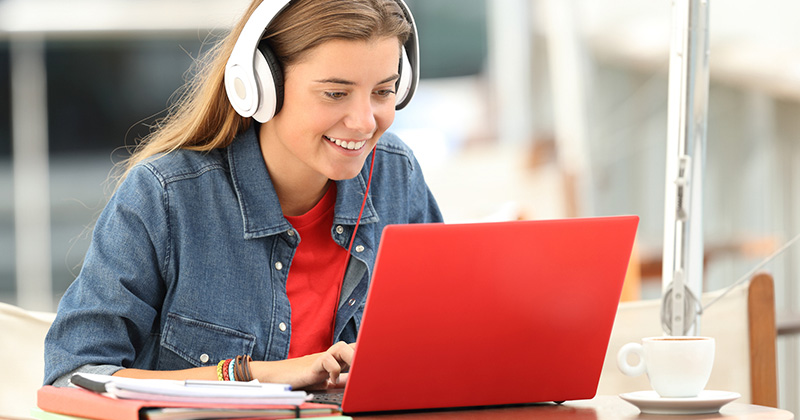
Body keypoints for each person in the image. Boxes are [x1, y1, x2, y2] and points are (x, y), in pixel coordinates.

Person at [44, 0, 442, 390]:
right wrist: (254, 374)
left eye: (383, 92)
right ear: (261, 85)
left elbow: (443, 339)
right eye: (335, 94)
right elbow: (73, 379)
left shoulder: (395, 175)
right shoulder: (165, 197)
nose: (364, 122)